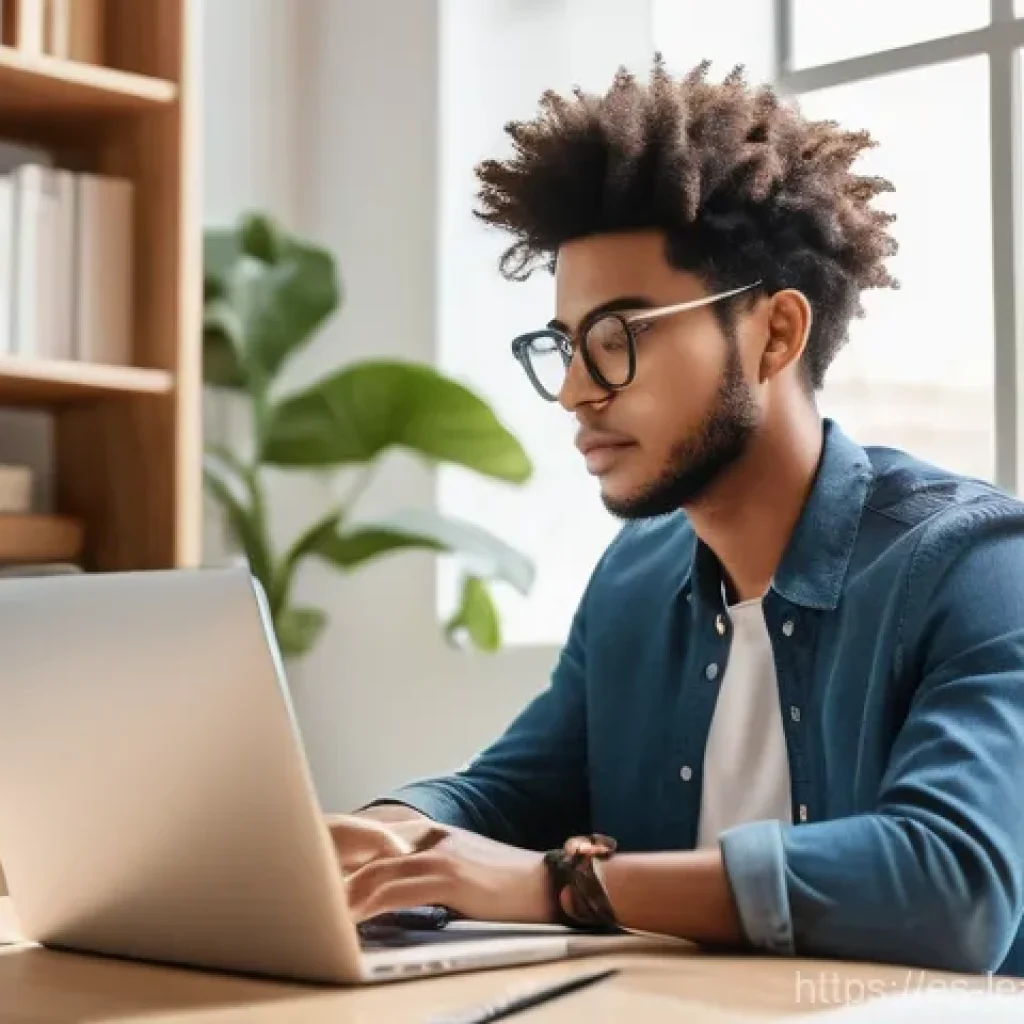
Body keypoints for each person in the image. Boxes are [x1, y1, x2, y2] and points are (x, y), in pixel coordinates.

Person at [329, 58, 1024, 976]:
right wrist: (388, 835)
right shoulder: (635, 576)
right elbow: (512, 793)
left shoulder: (975, 567)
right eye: (565, 346)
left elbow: (953, 885)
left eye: (620, 339)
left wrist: (562, 885)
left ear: (775, 333)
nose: (575, 390)